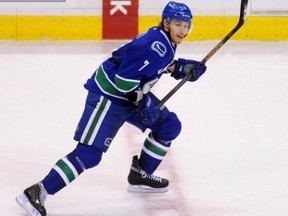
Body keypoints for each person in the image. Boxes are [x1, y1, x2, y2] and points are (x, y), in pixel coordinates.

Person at [16, 1, 207, 216]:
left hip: (131, 95)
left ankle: (140, 173)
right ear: (166, 22)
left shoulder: (164, 41)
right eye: (178, 24)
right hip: (108, 96)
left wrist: (179, 67)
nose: (183, 30)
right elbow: (123, 82)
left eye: (186, 25)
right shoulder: (153, 45)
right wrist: (144, 105)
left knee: (169, 126)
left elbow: (152, 65)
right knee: (89, 154)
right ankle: (37, 191)